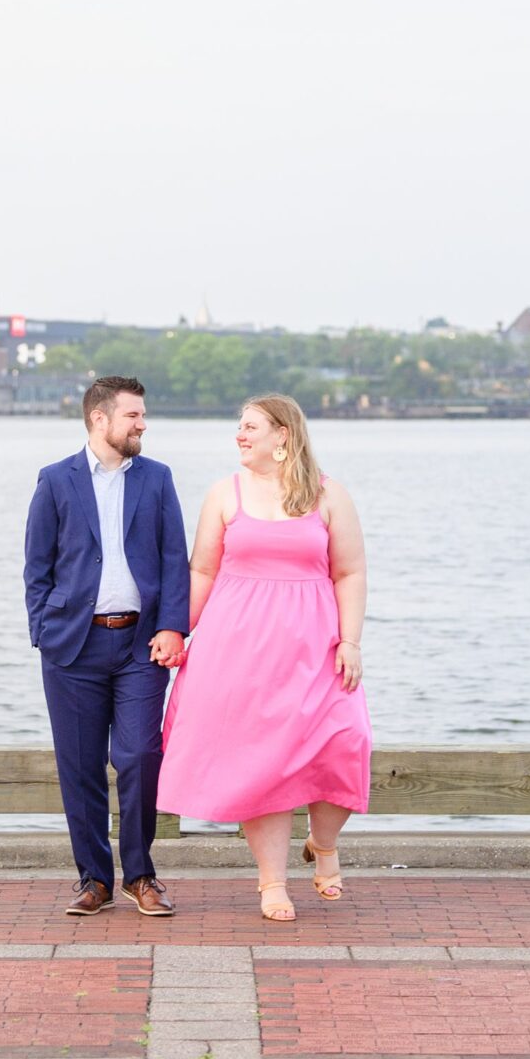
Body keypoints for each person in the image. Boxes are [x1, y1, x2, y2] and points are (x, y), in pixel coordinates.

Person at [158, 393, 370, 922]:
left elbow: (350, 572)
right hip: (238, 652)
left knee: (347, 742)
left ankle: (324, 845)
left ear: (283, 435)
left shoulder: (329, 496)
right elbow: (202, 571)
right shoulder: (224, 494)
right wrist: (179, 632)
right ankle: (272, 882)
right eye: (239, 425)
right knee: (263, 766)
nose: (239, 434)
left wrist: (350, 640)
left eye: (250, 425)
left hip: (315, 650)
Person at [23, 376, 191, 917]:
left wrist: (173, 627)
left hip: (141, 646)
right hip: (72, 648)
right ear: (100, 418)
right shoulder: (55, 481)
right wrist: (43, 633)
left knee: (142, 755)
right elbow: (36, 568)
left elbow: (174, 560)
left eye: (142, 416)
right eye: (133, 416)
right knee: (80, 766)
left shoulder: (158, 479)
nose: (143, 424)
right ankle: (93, 878)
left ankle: (140, 875)